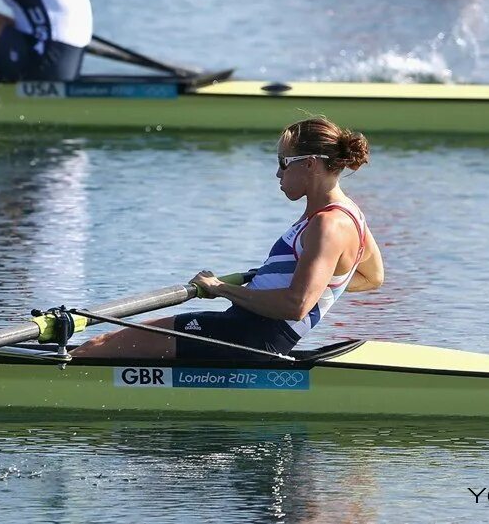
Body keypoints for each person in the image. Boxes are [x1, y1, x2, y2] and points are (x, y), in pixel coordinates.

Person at [75, 117, 384, 361]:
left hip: (251, 337)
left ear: (310, 164)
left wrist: (223, 289)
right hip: (247, 329)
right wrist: (302, 280)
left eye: (282, 162)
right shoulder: (351, 214)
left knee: (97, 347)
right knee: (109, 346)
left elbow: (296, 305)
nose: (278, 174)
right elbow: (372, 277)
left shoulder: (328, 225)